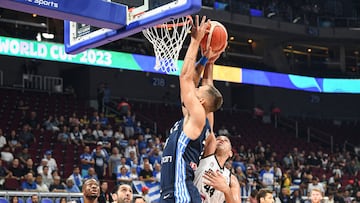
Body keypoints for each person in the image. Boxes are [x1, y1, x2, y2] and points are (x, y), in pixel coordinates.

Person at [160, 15, 223, 203]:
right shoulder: (202, 119)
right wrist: (208, 59)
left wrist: (195, 41)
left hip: (181, 192)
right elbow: (206, 83)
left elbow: (186, 78)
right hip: (177, 190)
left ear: (201, 101)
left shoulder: (197, 116)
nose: (194, 89)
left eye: (198, 91)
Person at [194, 136, 241, 203]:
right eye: (218, 139)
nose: (221, 140)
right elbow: (210, 131)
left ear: (230, 153)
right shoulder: (206, 156)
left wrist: (226, 190)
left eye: (226, 140)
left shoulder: (232, 180)